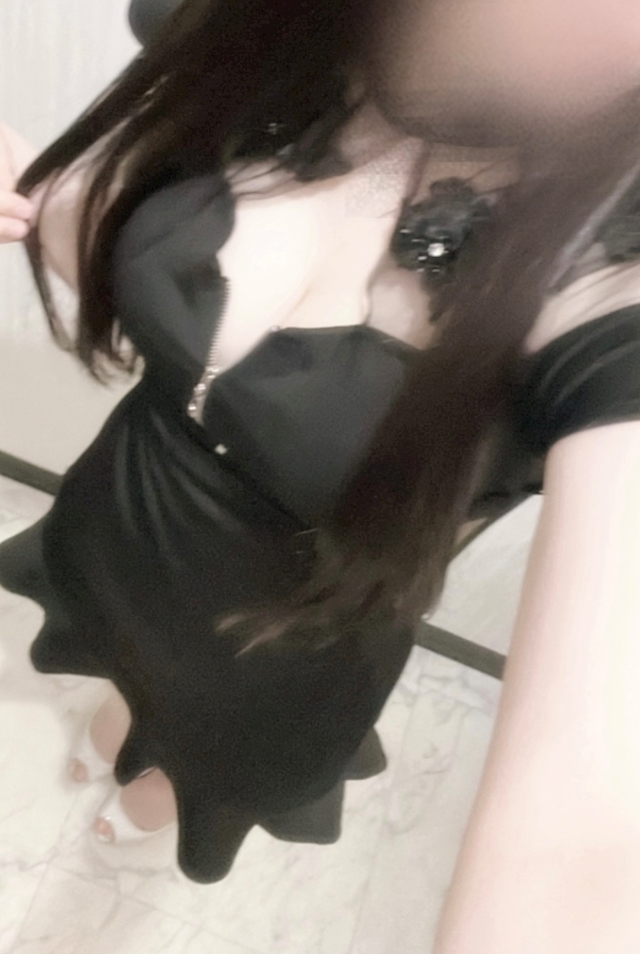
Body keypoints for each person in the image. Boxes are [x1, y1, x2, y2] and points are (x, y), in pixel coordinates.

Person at [3, 0, 640, 944]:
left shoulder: (612, 293)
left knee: (200, 766)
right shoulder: (274, 30)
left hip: (289, 648)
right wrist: (27, 195)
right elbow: (139, 277)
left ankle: (162, 792)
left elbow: (580, 842)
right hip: (124, 523)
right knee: (122, 682)